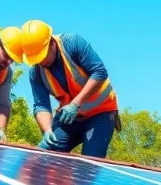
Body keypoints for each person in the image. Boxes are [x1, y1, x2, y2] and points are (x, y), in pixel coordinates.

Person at [19, 20, 121, 158]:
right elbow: (41, 105)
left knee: (89, 165)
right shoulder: (36, 73)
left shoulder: (72, 43)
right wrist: (47, 130)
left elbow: (99, 72)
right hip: (68, 118)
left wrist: (75, 104)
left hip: (101, 114)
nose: (40, 62)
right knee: (43, 157)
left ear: (52, 44)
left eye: (42, 56)